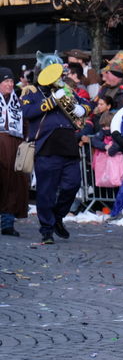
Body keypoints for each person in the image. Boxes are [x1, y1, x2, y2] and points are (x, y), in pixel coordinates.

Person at [21, 57, 90, 244]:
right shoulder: (31, 91)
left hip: (68, 146)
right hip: (47, 147)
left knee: (72, 185)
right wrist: (51, 102)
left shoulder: (65, 90)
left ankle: (57, 217)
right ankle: (47, 230)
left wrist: (81, 109)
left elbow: (87, 104)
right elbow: (27, 112)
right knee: (46, 192)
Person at [0, 67, 29, 236]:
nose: (10, 84)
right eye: (6, 81)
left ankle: (7, 224)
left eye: (11, 81)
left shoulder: (17, 102)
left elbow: (25, 124)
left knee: (13, 184)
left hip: (14, 145)